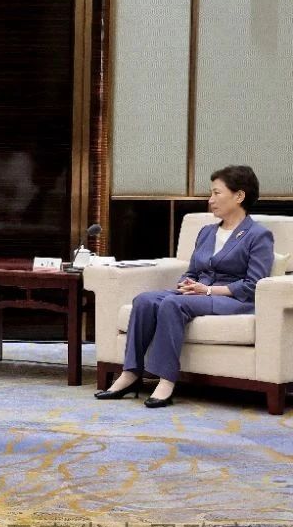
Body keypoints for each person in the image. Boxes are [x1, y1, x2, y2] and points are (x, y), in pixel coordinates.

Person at [96, 165, 274, 408]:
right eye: (211, 193)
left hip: (232, 299)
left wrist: (208, 290)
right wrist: (187, 284)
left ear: (239, 196)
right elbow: (192, 271)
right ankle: (131, 373)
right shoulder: (206, 232)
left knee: (172, 303)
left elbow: (253, 285)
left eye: (217, 193)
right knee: (144, 300)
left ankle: (166, 380)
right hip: (198, 293)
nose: (210, 200)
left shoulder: (258, 235)